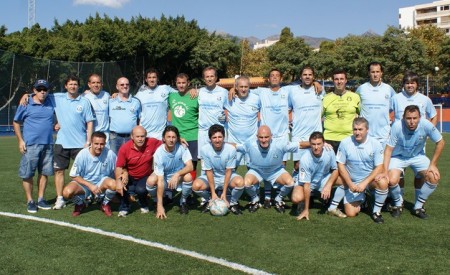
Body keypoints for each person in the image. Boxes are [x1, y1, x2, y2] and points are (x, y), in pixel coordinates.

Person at [384, 105, 444, 219]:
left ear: (420, 118)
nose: (412, 121)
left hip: (418, 156)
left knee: (434, 177)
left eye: (415, 118)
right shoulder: (397, 126)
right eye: (408, 118)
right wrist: (385, 170)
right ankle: (398, 204)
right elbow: (388, 149)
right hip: (398, 157)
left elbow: (440, 142)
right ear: (403, 118)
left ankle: (418, 207)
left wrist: (433, 164)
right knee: (391, 180)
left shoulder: (426, 124)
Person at [51, 75, 95, 209]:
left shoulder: (85, 101)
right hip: (62, 143)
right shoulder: (57, 98)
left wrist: (88, 141)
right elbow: (40, 93)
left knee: (81, 173)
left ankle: (85, 196)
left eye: (75, 84)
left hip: (80, 144)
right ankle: (60, 199)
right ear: (66, 86)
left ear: (78, 86)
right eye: (70, 84)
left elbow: (90, 122)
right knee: (59, 171)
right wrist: (26, 95)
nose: (73, 86)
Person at [239, 125, 302, 214]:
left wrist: (320, 143)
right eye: (261, 137)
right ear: (257, 137)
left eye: (266, 137)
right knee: (245, 183)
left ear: (271, 136)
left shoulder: (279, 144)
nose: (264, 140)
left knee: (290, 183)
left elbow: (300, 145)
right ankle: (255, 199)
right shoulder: (250, 144)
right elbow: (236, 146)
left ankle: (278, 199)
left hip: (275, 172)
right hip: (257, 172)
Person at [336, 117, 389, 223]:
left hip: (369, 181)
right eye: (355, 129)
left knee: (383, 182)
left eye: (360, 129)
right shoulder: (345, 142)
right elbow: (340, 165)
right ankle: (364, 200)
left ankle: (376, 212)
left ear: (367, 130)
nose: (357, 132)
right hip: (353, 183)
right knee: (350, 213)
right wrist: (350, 183)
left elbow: (379, 166)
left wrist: (364, 183)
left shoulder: (375, 143)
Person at [13, 79, 54, 213]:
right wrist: (20, 140)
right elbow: (16, 122)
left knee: (44, 173)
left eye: (45, 89)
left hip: (48, 144)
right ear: (34, 90)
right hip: (31, 145)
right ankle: (30, 200)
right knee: (28, 174)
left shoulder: (51, 101)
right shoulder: (26, 103)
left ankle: (41, 199)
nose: (42, 92)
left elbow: (71, 93)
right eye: (39, 89)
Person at [192, 124, 245, 215]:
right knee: (196, 186)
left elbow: (228, 171)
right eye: (214, 137)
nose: (217, 140)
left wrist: (224, 193)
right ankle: (210, 200)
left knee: (240, 182)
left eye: (220, 137)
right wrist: (213, 193)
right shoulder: (204, 149)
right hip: (212, 176)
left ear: (224, 138)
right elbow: (209, 172)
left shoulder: (231, 149)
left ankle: (232, 203)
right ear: (210, 139)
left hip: (227, 176)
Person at [63, 132, 117, 217]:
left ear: (105, 143)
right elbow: (73, 175)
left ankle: (104, 203)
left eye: (102, 144)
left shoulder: (110, 154)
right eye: (96, 143)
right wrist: (90, 185)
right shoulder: (82, 154)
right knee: (67, 192)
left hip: (101, 184)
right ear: (91, 143)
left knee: (114, 184)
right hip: (85, 184)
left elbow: (118, 169)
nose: (99, 147)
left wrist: (123, 175)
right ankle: (80, 204)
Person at [291, 132, 343, 220]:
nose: (316, 147)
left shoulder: (329, 151)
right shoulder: (305, 159)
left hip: (322, 179)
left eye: (319, 144)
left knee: (344, 181)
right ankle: (304, 201)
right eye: (313, 144)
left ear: (324, 143)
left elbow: (335, 169)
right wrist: (306, 210)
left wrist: (328, 185)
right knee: (296, 198)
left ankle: (332, 206)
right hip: (306, 183)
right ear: (310, 144)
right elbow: (307, 185)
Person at [287, 66, 325, 186]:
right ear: (300, 77)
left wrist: (317, 84)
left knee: (316, 166)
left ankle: (313, 192)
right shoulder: (292, 91)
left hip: (316, 135)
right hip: (298, 135)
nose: (307, 77)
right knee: (298, 166)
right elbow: (287, 109)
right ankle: (297, 190)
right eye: (305, 74)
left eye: (310, 75)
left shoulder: (320, 90)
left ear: (313, 77)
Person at [146, 126, 194, 218]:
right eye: (168, 137)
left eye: (173, 137)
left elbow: (190, 166)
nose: (171, 140)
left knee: (188, 177)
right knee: (150, 181)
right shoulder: (159, 153)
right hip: (163, 177)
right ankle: (157, 202)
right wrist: (160, 206)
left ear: (177, 138)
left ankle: (183, 202)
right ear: (163, 138)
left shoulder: (182, 147)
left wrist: (177, 174)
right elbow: (160, 180)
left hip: (178, 177)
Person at [115, 126, 162, 217]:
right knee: (120, 183)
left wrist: (179, 139)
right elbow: (119, 167)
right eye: (137, 136)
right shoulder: (124, 148)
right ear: (132, 137)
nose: (140, 139)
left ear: (146, 136)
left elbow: (167, 141)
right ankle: (124, 207)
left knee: (140, 190)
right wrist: (118, 182)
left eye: (142, 136)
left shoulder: (151, 142)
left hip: (145, 176)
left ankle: (143, 204)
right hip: (130, 176)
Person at [356, 62, 395, 147]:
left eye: (377, 72)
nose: (375, 74)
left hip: (384, 136)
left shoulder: (389, 89)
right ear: (369, 73)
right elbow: (354, 108)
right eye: (373, 72)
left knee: (383, 160)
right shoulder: (361, 89)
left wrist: (391, 121)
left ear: (381, 73)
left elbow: (396, 108)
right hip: (365, 135)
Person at [224, 75, 260, 166]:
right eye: (241, 87)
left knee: (254, 171)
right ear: (236, 87)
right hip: (233, 142)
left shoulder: (256, 99)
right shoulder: (229, 98)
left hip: (252, 142)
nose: (243, 89)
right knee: (230, 170)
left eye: (246, 87)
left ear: (249, 87)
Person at [168, 73, 199, 179]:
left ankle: (190, 190)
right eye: (179, 83)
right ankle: (173, 189)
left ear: (188, 83)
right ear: (175, 83)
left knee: (192, 165)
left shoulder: (195, 97)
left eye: (183, 83)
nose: (181, 85)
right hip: (177, 137)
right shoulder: (171, 96)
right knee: (176, 163)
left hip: (193, 136)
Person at [322, 69, 360, 152]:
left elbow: (363, 117)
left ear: (346, 80)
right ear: (333, 81)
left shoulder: (355, 97)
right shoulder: (326, 98)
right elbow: (317, 120)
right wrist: (322, 140)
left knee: (347, 165)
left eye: (341, 79)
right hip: (329, 139)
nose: (339, 82)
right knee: (332, 165)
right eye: (336, 79)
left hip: (349, 138)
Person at [135, 68, 177, 139]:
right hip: (145, 133)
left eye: (154, 77)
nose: (152, 80)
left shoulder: (165, 89)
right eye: (149, 77)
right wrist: (117, 94)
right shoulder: (140, 94)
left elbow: (181, 94)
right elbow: (128, 101)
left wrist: (191, 90)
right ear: (146, 80)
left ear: (157, 79)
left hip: (161, 133)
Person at [197, 67, 228, 158]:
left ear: (216, 77)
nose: (209, 78)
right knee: (204, 160)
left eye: (212, 76)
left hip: (218, 132)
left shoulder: (223, 92)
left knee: (220, 159)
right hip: (203, 131)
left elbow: (231, 108)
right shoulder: (200, 92)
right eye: (207, 76)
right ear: (204, 78)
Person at [109, 77, 141, 154]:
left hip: (131, 137)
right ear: (117, 87)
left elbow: (140, 119)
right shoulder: (110, 101)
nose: (125, 86)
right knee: (114, 161)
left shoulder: (136, 102)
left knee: (131, 160)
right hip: (115, 138)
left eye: (127, 84)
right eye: (122, 84)